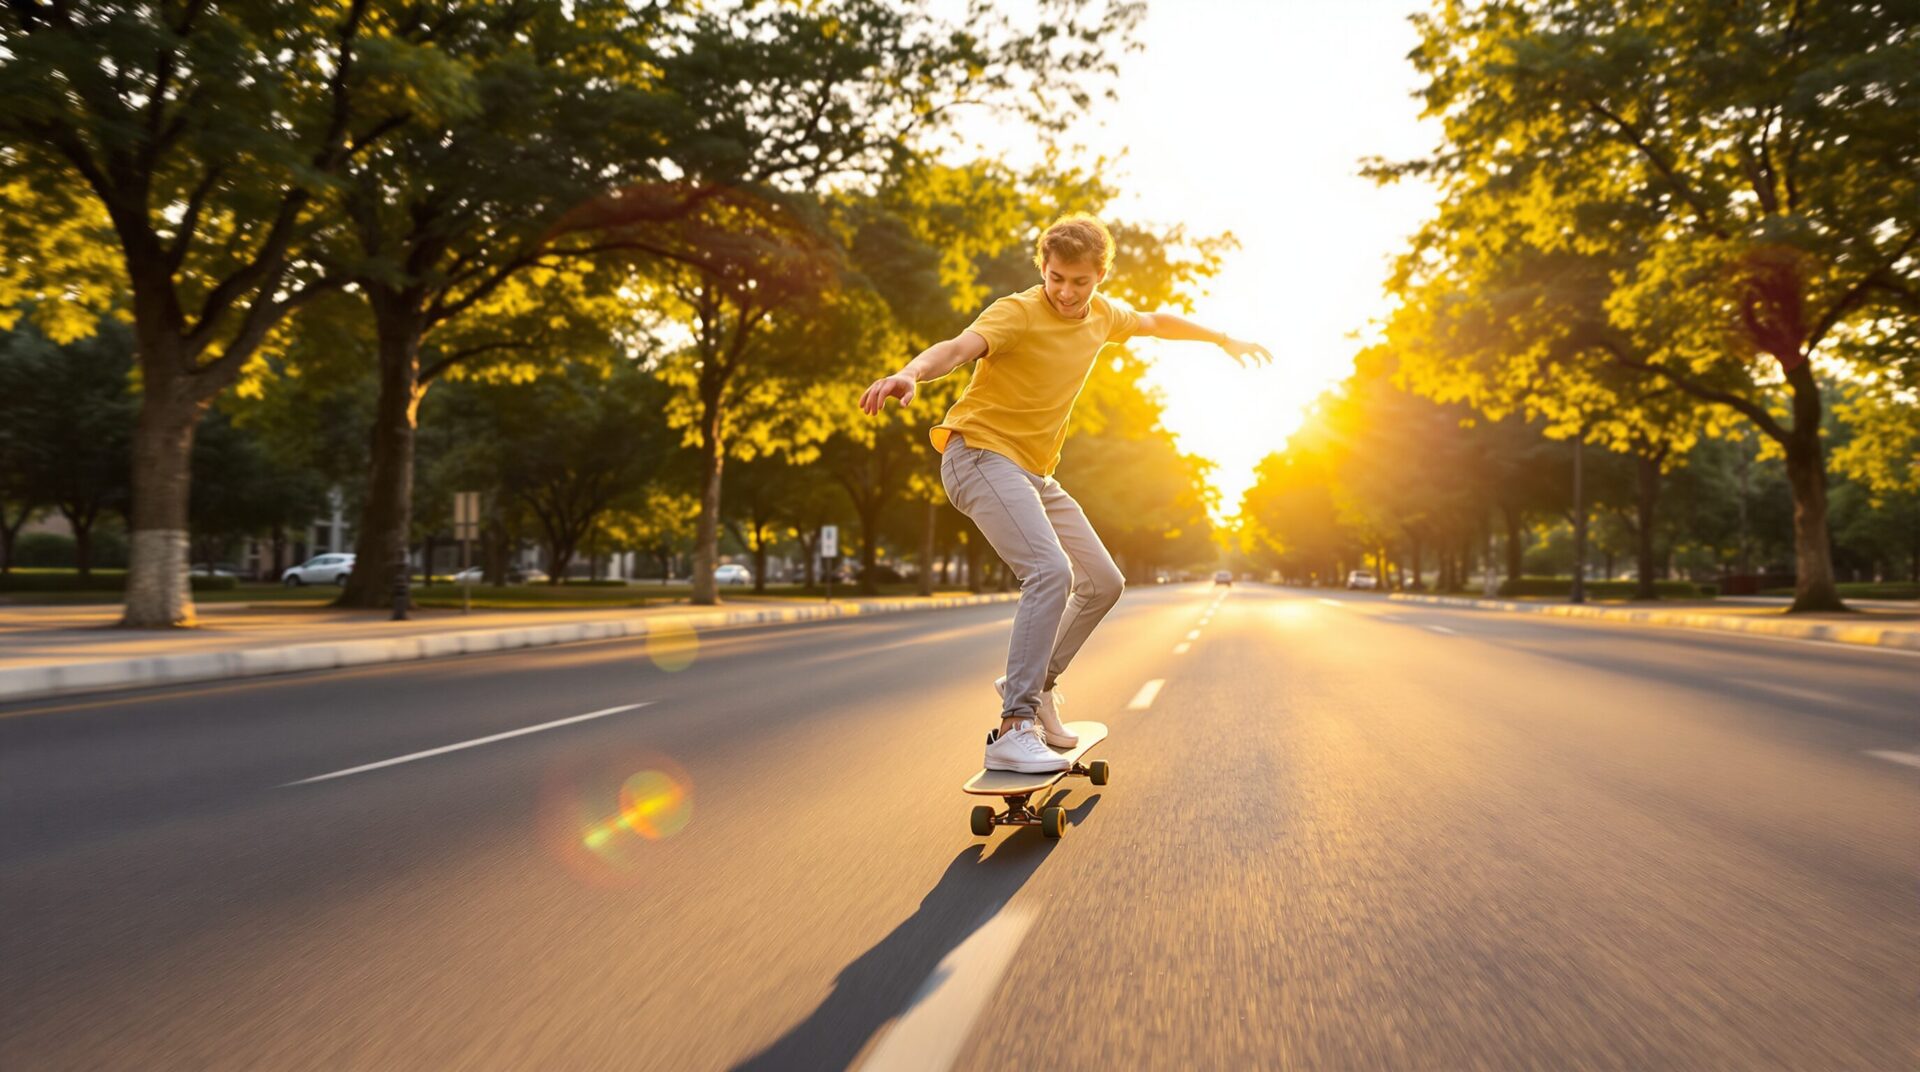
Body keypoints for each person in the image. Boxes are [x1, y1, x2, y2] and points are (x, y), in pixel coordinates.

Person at [857, 214, 1271, 773]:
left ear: (1100, 276)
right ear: (1043, 270)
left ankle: (1035, 682)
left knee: (1104, 582)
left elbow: (1154, 321)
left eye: (1080, 281)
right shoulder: (1017, 311)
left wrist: (1222, 339)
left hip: (1034, 473)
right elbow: (957, 348)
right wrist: (911, 373)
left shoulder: (1103, 315)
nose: (1066, 293)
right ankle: (1014, 724)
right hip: (978, 453)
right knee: (1051, 572)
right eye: (1056, 278)